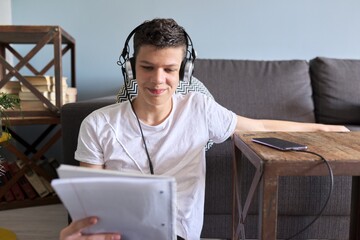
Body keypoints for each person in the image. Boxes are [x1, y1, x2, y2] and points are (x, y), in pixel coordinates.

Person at [60, 18, 348, 240]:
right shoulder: (97, 123)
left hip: (178, 233)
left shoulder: (200, 109)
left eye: (169, 69)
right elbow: (90, 199)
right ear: (131, 67)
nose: (157, 80)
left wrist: (326, 129)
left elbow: (258, 125)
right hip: (118, 233)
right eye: (147, 67)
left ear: (184, 71)